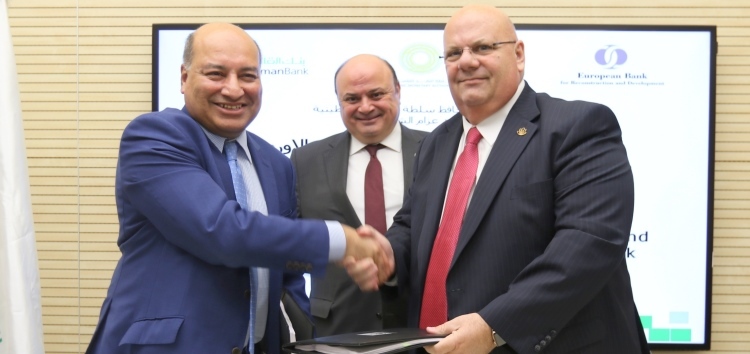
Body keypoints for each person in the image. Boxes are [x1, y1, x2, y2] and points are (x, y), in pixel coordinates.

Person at [347, 4, 650, 354]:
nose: (467, 61)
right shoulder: (436, 143)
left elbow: (587, 245)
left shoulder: (578, 126)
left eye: (483, 48)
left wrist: (496, 325)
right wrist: (389, 252)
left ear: (518, 54)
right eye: (453, 53)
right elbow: (413, 226)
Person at [85, 23, 389, 354]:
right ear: (184, 78)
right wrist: (342, 241)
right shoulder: (153, 137)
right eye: (216, 74)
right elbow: (221, 231)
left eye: (247, 76)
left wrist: (307, 334)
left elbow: (284, 268)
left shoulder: (276, 163)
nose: (233, 90)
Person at [291, 54, 427, 335]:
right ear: (339, 102)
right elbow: (292, 246)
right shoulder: (305, 161)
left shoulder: (438, 150)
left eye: (376, 94)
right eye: (352, 99)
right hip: (335, 330)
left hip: (421, 325)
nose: (366, 107)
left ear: (398, 91)